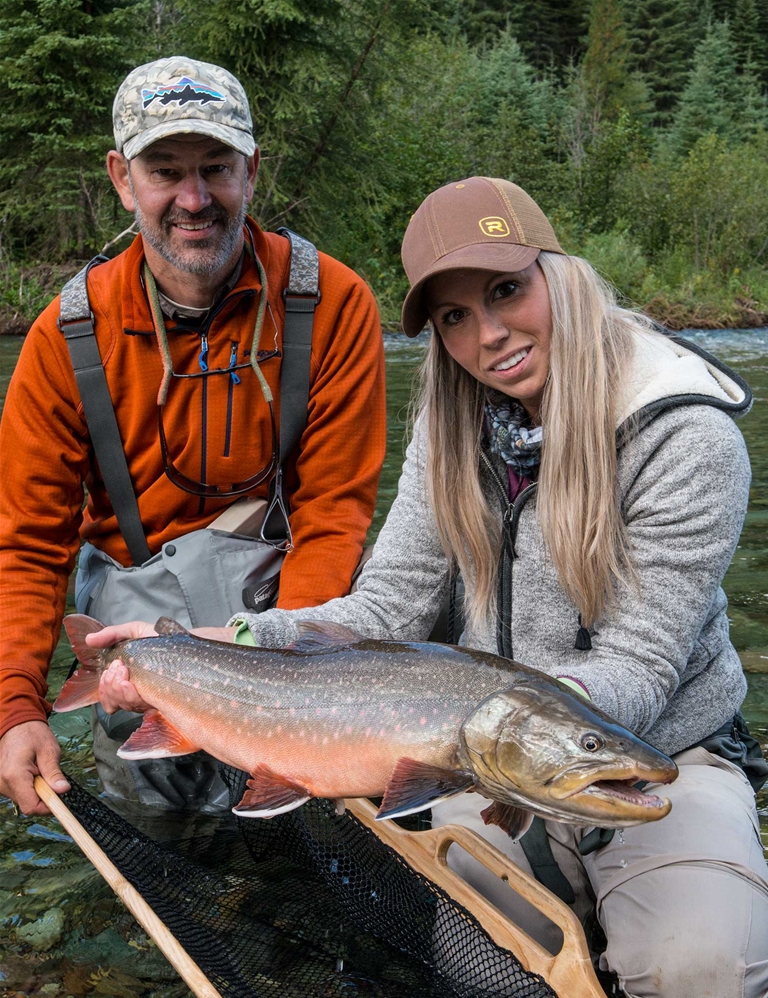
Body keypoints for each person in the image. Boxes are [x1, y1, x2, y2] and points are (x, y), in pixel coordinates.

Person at [86, 176, 768, 997]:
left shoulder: (687, 436)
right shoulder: (449, 429)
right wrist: (229, 642)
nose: (489, 335)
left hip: (659, 747)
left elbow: (645, 667)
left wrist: (520, 734)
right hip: (471, 763)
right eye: (453, 317)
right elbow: (382, 611)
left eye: (507, 290)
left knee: (702, 969)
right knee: (480, 971)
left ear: (562, 274)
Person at [0, 56, 386, 818]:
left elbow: (335, 515)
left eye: (215, 167)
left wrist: (287, 680)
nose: (193, 198)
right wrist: (18, 708)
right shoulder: (67, 335)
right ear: (121, 178)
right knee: (163, 822)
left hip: (286, 611)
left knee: (322, 813)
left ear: (251, 170)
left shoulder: (332, 302)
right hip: (132, 622)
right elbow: (28, 545)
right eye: (164, 170)